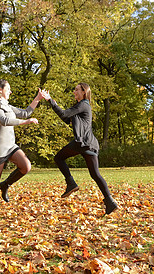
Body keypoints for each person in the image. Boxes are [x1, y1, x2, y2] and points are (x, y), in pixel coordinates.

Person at [41, 83, 118, 215]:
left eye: (77, 89)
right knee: (95, 174)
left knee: (59, 158)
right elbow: (65, 117)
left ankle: (71, 183)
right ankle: (110, 202)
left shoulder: (83, 104)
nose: (74, 92)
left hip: (83, 143)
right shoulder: (81, 107)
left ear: (84, 92)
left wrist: (50, 100)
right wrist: (52, 103)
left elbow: (64, 113)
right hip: (89, 144)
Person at [0, 79, 43, 220]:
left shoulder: (6, 104)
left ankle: (6, 185)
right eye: (8, 89)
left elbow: (25, 113)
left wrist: (37, 99)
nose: (11, 91)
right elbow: (3, 121)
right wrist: (26, 122)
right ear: (0, 90)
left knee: (26, 166)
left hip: (11, 146)